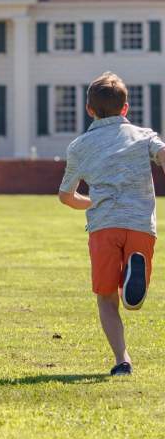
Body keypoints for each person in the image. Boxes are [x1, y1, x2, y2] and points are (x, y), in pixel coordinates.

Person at [58, 71, 165, 376]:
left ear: (89, 109)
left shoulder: (79, 145)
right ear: (126, 108)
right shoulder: (143, 135)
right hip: (141, 224)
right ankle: (136, 268)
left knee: (106, 297)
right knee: (133, 299)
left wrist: (88, 202)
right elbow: (163, 153)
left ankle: (122, 360)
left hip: (105, 224)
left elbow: (66, 195)